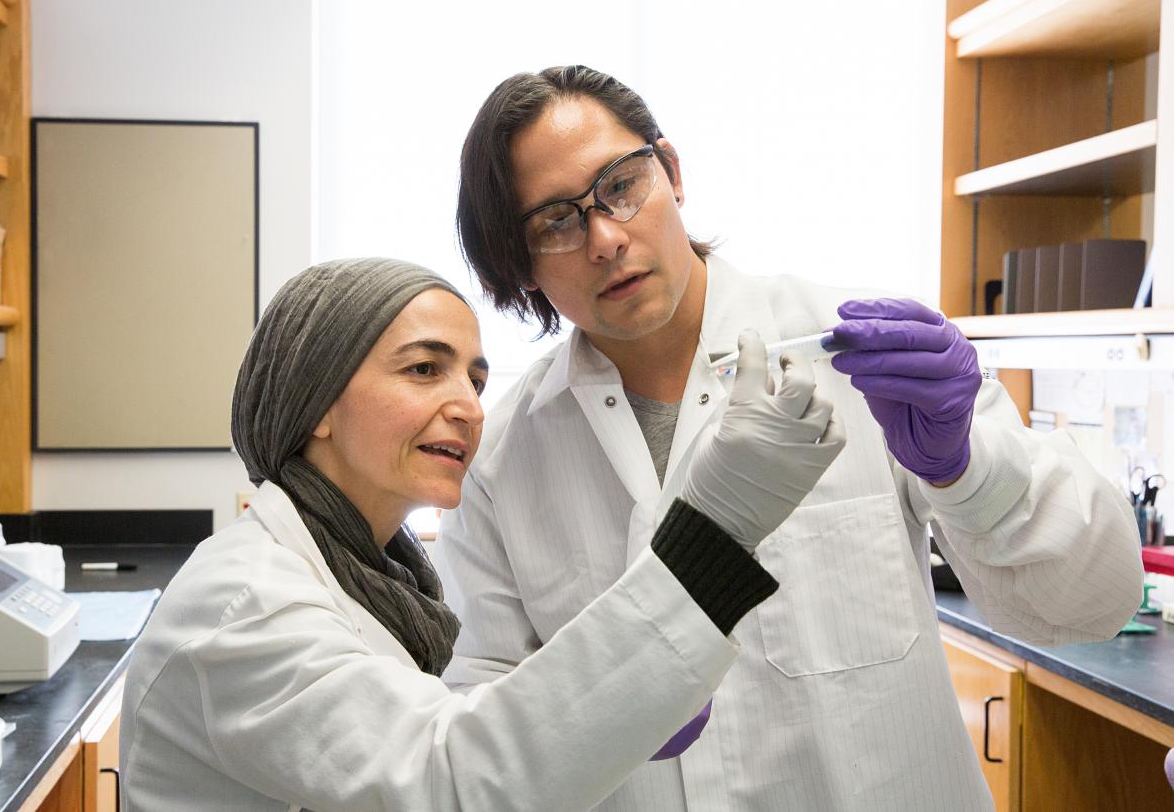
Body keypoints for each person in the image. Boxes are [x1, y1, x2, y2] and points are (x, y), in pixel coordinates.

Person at [438, 65, 1145, 811]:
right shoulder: (500, 462)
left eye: (620, 184)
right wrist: (592, 712)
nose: (606, 238)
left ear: (671, 171)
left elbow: (1096, 603)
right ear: (517, 266)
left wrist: (966, 466)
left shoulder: (862, 356)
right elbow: (481, 746)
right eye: (556, 220)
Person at [118, 257, 845, 811]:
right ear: (317, 403)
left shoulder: (377, 581)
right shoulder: (244, 604)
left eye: (473, 378)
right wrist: (714, 530)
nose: (467, 406)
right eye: (424, 369)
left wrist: (615, 713)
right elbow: (454, 779)